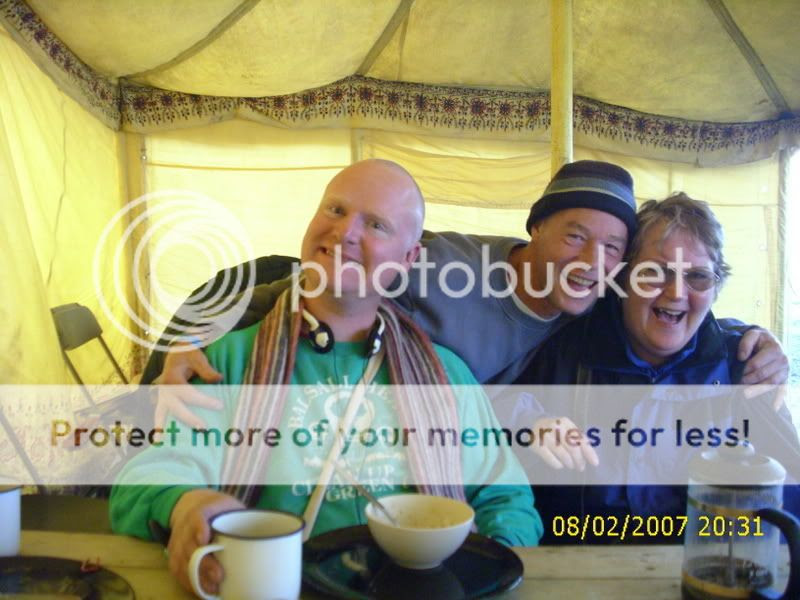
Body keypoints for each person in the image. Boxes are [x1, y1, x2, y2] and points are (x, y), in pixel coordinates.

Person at [110, 159, 542, 595]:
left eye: (376, 224)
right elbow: (145, 480)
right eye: (335, 210)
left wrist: (490, 567)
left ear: (408, 259)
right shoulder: (229, 361)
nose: (345, 232)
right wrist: (185, 503)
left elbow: (506, 497)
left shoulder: (445, 375)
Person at [145, 160, 789, 429]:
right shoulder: (444, 264)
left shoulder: (596, 298)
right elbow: (299, 282)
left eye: (612, 248)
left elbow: (676, 304)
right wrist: (191, 339)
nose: (591, 261)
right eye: (574, 236)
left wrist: (752, 343)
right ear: (536, 230)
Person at [515, 193, 800, 543]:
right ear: (622, 278)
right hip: (576, 567)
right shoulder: (560, 350)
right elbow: (483, 419)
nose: (677, 292)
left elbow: (791, 495)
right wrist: (524, 422)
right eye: (655, 273)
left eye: (698, 277)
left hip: (698, 569)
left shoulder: (746, 367)